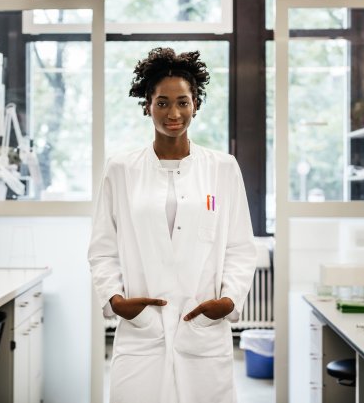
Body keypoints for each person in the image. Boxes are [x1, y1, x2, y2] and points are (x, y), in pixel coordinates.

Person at [88, 47, 258, 403]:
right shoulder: (121, 169)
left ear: (195, 103)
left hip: (202, 329)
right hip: (142, 330)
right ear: (147, 105)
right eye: (162, 102)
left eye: (182, 101)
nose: (173, 113)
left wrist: (228, 301)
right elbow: (103, 248)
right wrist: (115, 300)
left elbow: (240, 247)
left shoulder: (222, 168)